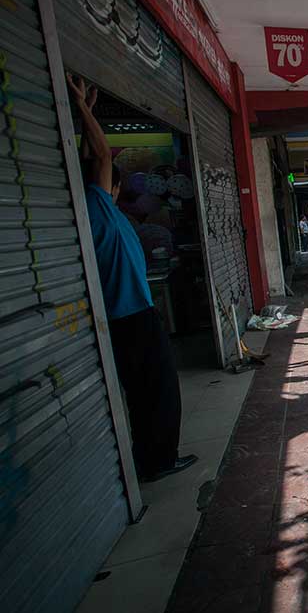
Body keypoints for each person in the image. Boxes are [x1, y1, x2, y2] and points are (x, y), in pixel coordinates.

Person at [68, 75, 196, 482]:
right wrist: (85, 110)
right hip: (132, 315)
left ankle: (149, 458)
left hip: (125, 316)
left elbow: (92, 161)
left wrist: (82, 111)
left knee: (145, 394)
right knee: (159, 393)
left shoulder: (93, 208)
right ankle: (159, 460)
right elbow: (102, 161)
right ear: (113, 187)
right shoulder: (98, 204)